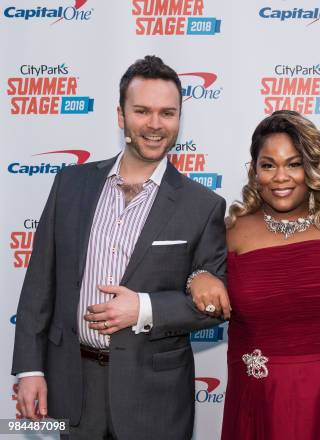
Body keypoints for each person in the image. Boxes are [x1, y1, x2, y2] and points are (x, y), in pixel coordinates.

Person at [12, 55, 229, 440]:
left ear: (179, 118)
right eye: (142, 111)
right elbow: (38, 285)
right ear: (120, 115)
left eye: (167, 113)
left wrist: (143, 307)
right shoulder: (70, 184)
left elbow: (215, 306)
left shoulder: (203, 205)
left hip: (155, 397)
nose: (155, 124)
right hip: (73, 385)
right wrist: (31, 370)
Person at [191, 110, 320, 439]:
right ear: (254, 171)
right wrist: (197, 277)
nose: (281, 177)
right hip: (261, 399)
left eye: (294, 164)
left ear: (312, 168)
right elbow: (189, 281)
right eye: (268, 165)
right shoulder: (230, 233)